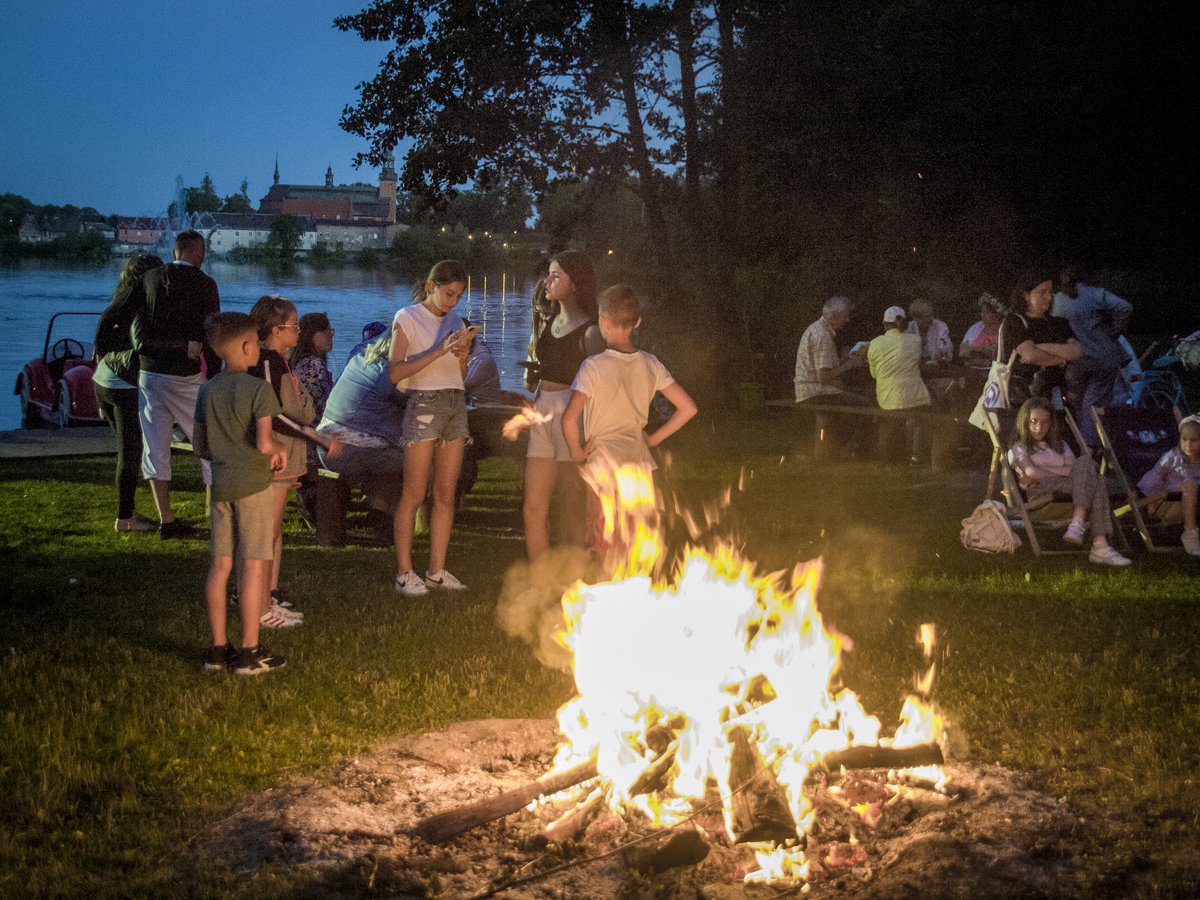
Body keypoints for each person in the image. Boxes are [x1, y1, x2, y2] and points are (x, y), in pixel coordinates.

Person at [561, 285, 697, 559]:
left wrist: (577, 452)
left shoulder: (594, 366)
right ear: (637, 322)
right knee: (633, 541)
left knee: (603, 539)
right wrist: (652, 439)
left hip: (604, 466)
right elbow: (688, 408)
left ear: (604, 321)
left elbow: (569, 418)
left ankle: (606, 590)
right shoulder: (651, 364)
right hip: (639, 465)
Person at [192, 312, 288, 674]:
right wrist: (278, 449)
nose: (259, 349)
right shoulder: (259, 389)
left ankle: (218, 649)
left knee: (220, 567)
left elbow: (200, 446)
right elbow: (264, 442)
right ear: (247, 347)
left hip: (221, 487)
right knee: (252, 568)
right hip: (254, 486)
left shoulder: (207, 389)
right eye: (257, 343)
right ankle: (250, 652)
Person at [388, 259, 475, 596]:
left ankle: (437, 570)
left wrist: (462, 356)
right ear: (431, 287)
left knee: (445, 494)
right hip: (423, 405)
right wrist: (439, 351)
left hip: (455, 405)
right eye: (449, 294)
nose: (453, 302)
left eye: (458, 296)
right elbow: (395, 373)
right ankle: (404, 572)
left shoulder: (457, 321)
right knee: (413, 493)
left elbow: (460, 376)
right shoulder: (406, 318)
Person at [132, 230, 220, 538]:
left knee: (155, 445)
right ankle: (217, 517)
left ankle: (165, 518)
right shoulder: (206, 284)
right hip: (186, 375)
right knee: (207, 442)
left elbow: (139, 332)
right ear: (200, 253)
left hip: (149, 374)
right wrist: (214, 371)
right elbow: (212, 333)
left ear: (174, 250)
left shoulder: (149, 279)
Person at [523, 250, 605, 563]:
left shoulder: (592, 332)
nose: (548, 280)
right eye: (549, 273)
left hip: (573, 415)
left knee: (572, 504)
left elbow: (601, 382)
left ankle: (575, 577)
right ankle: (540, 576)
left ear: (575, 284)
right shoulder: (548, 320)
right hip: (543, 409)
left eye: (556, 275)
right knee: (533, 506)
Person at [248, 295, 315, 623]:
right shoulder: (267, 363)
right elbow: (272, 414)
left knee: (274, 531)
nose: (299, 330)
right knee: (267, 531)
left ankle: (269, 592)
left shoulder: (279, 362)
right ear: (276, 330)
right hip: (274, 458)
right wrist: (315, 435)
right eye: (295, 325)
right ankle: (260, 601)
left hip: (284, 458)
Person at [1009, 397, 1131, 565]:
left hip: (1069, 488)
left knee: (1086, 464)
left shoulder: (1061, 445)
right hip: (1043, 492)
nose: (1039, 428)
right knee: (1097, 480)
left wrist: (1041, 471)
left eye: (1045, 422)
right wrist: (1049, 473)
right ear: (1024, 422)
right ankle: (1098, 544)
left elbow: (1075, 470)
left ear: (1052, 423)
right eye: (1034, 422)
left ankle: (1081, 527)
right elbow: (1031, 471)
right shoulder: (1019, 447)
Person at [93, 253, 163, 533]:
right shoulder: (144, 308)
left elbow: (99, 346)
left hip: (104, 380)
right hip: (124, 384)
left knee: (130, 450)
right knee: (131, 452)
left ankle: (129, 510)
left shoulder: (117, 305)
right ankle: (125, 518)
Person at [1056, 272, 1134, 447]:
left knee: (1078, 404)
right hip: (1102, 357)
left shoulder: (1057, 300)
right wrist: (1113, 331)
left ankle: (1082, 446)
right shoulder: (1096, 294)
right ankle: (1091, 449)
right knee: (1093, 406)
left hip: (1074, 361)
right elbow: (1125, 307)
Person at [997, 269, 1080, 405]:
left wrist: (1040, 347)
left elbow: (1077, 351)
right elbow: (1030, 355)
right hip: (1021, 396)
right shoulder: (1015, 321)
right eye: (1042, 292)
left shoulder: (1058, 323)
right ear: (1026, 295)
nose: (1049, 297)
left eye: (1050, 292)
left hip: (1055, 395)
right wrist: (1061, 359)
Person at [868, 306, 930, 461]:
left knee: (887, 415)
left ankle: (888, 457)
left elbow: (874, 374)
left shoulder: (874, 343)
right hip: (915, 398)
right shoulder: (916, 341)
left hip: (887, 398)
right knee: (930, 407)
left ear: (884, 324)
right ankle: (916, 454)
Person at [290, 312, 335, 520]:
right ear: (312, 335)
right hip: (312, 438)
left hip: (301, 434)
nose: (330, 335)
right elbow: (328, 407)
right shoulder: (313, 366)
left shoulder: (299, 363)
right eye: (326, 331)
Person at [1137, 415, 1200, 556]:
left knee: (1192, 485)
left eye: (1194, 440)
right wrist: (1151, 503)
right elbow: (1153, 479)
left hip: (1192, 505)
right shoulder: (1172, 458)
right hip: (1165, 506)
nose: (1188, 444)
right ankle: (1190, 532)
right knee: (1190, 484)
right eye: (1184, 439)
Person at [793, 295, 868, 404]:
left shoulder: (818, 329)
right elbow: (823, 378)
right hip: (816, 392)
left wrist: (845, 358)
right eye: (845, 316)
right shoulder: (823, 336)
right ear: (833, 316)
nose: (847, 320)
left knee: (862, 393)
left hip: (811, 390)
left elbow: (824, 367)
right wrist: (849, 364)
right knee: (864, 402)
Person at [959, 293, 1005, 365]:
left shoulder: (1005, 330)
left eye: (987, 313)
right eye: (982, 312)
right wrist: (980, 350)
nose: (983, 315)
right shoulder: (976, 328)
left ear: (998, 314)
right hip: (974, 368)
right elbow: (962, 351)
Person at [906, 299, 953, 364]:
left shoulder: (940, 326)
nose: (931, 318)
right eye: (926, 316)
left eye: (931, 315)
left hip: (935, 366)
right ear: (916, 318)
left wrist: (942, 360)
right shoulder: (908, 329)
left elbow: (944, 345)